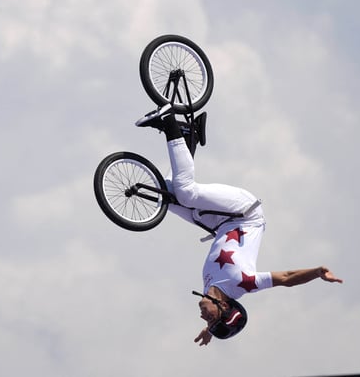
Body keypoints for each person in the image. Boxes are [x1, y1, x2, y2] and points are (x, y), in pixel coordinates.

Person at [136, 104, 343, 346]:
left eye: (209, 323)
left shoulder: (211, 290)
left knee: (165, 197)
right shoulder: (242, 283)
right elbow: (286, 278)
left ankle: (187, 135)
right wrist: (317, 273)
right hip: (245, 212)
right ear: (223, 305)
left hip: (219, 221)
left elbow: (215, 310)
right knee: (187, 194)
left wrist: (210, 330)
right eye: (211, 320)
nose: (204, 318)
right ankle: (169, 118)